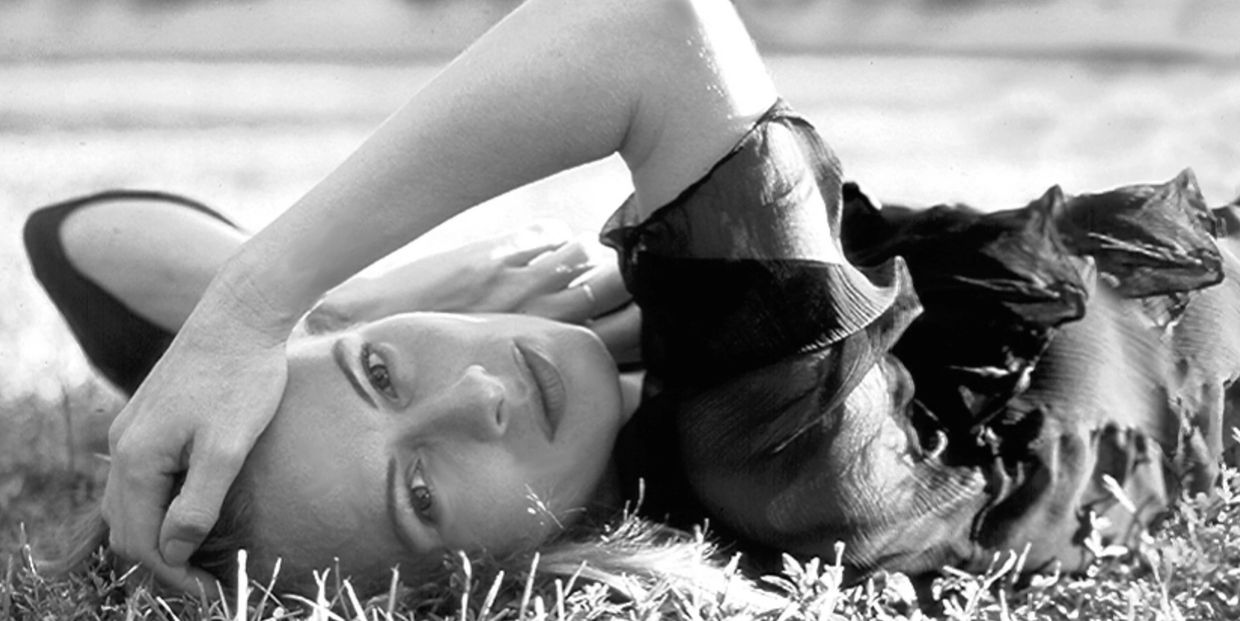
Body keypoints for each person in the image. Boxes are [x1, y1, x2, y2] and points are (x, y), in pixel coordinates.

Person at [25, 0, 1240, 599]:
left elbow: (77, 238)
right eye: (423, 491)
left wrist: (308, 318)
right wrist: (258, 309)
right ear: (506, 577)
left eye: (385, 375)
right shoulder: (775, 463)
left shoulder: (631, 377)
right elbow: (657, 27)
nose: (479, 393)